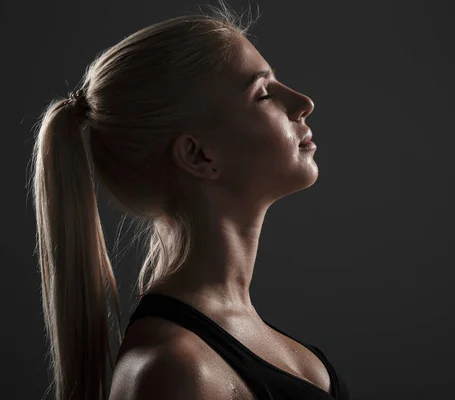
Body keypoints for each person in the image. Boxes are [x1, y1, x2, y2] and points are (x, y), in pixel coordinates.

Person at [28, 1, 351, 399]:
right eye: (263, 93)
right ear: (199, 155)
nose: (303, 103)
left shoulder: (220, 344)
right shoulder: (175, 370)